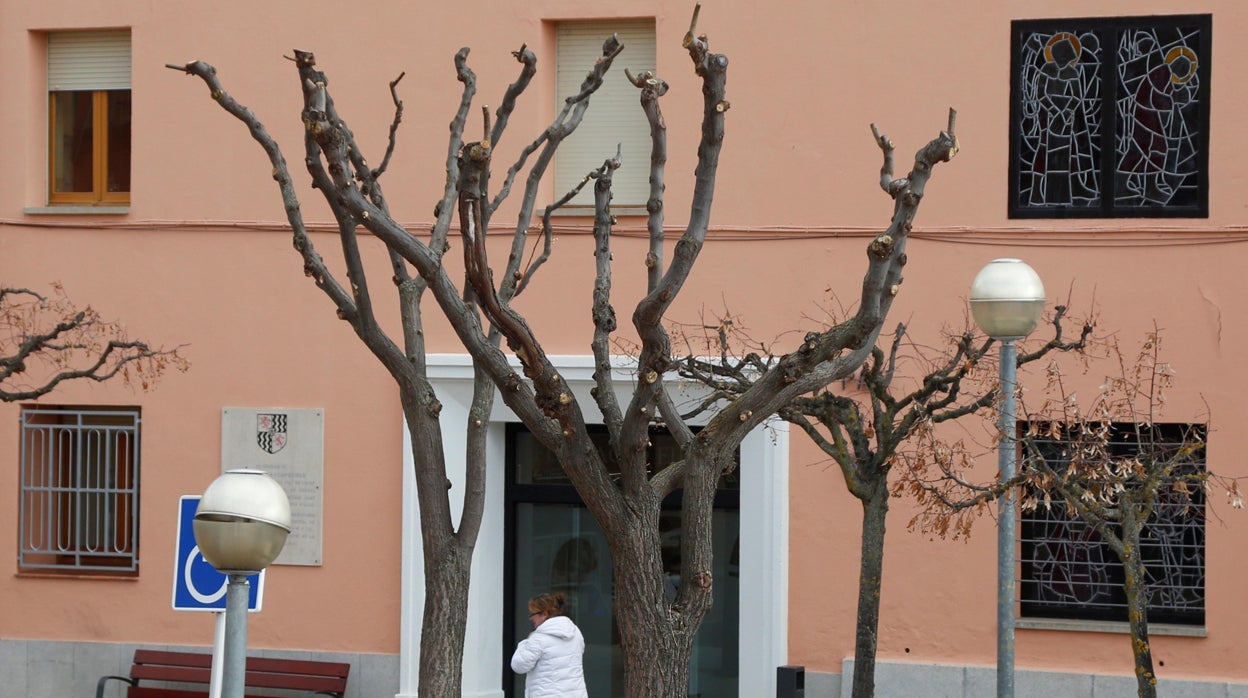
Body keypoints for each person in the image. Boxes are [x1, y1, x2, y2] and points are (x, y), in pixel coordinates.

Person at [511, 592, 588, 697]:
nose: (531, 618)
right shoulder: (575, 632)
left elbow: (518, 666)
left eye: (533, 614)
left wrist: (525, 643)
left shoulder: (538, 638)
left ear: (544, 614)